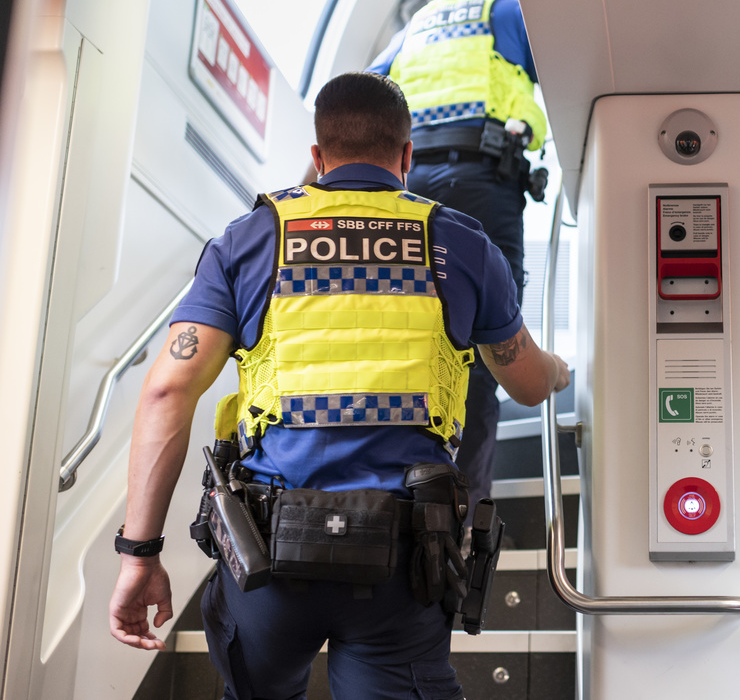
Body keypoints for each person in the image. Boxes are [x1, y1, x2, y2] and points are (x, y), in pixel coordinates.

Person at [107, 72, 569, 700]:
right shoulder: (459, 242)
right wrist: (562, 369)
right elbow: (529, 384)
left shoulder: (249, 241)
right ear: (408, 157)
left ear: (318, 157)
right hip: (406, 564)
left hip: (266, 555)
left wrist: (140, 553)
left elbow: (167, 393)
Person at [368, 0, 549, 510]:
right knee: (485, 349)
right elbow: (572, 72)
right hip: (483, 181)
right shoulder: (508, 12)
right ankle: (461, 528)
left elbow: (355, 98)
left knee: (404, 342)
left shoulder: (412, 30)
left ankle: (391, 506)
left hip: (407, 190)